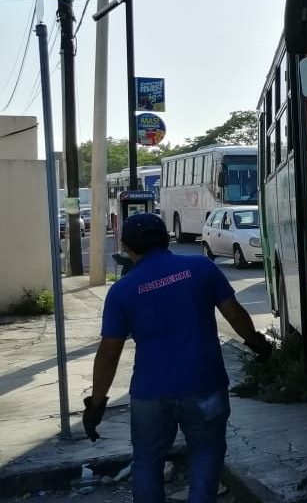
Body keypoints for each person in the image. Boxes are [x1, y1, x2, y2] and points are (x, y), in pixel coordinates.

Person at [83, 212, 272, 503]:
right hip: (205, 384)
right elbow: (233, 312)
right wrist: (258, 344)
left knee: (147, 460)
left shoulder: (122, 291)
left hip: (150, 393)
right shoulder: (200, 268)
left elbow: (109, 352)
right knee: (207, 451)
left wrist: (96, 404)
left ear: (128, 247)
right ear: (165, 238)